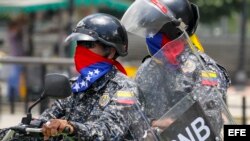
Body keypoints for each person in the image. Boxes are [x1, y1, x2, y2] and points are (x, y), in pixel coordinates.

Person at [0, 13, 147, 141]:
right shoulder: (75, 86)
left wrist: (70, 127)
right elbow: (46, 122)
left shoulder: (124, 89)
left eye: (88, 44)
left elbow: (108, 132)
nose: (81, 49)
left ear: (110, 50)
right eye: (79, 43)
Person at [121, 0, 232, 137]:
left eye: (154, 29)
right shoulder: (146, 70)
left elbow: (208, 119)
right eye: (148, 30)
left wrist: (156, 125)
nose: (150, 36)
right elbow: (133, 117)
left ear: (173, 31)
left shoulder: (203, 69)